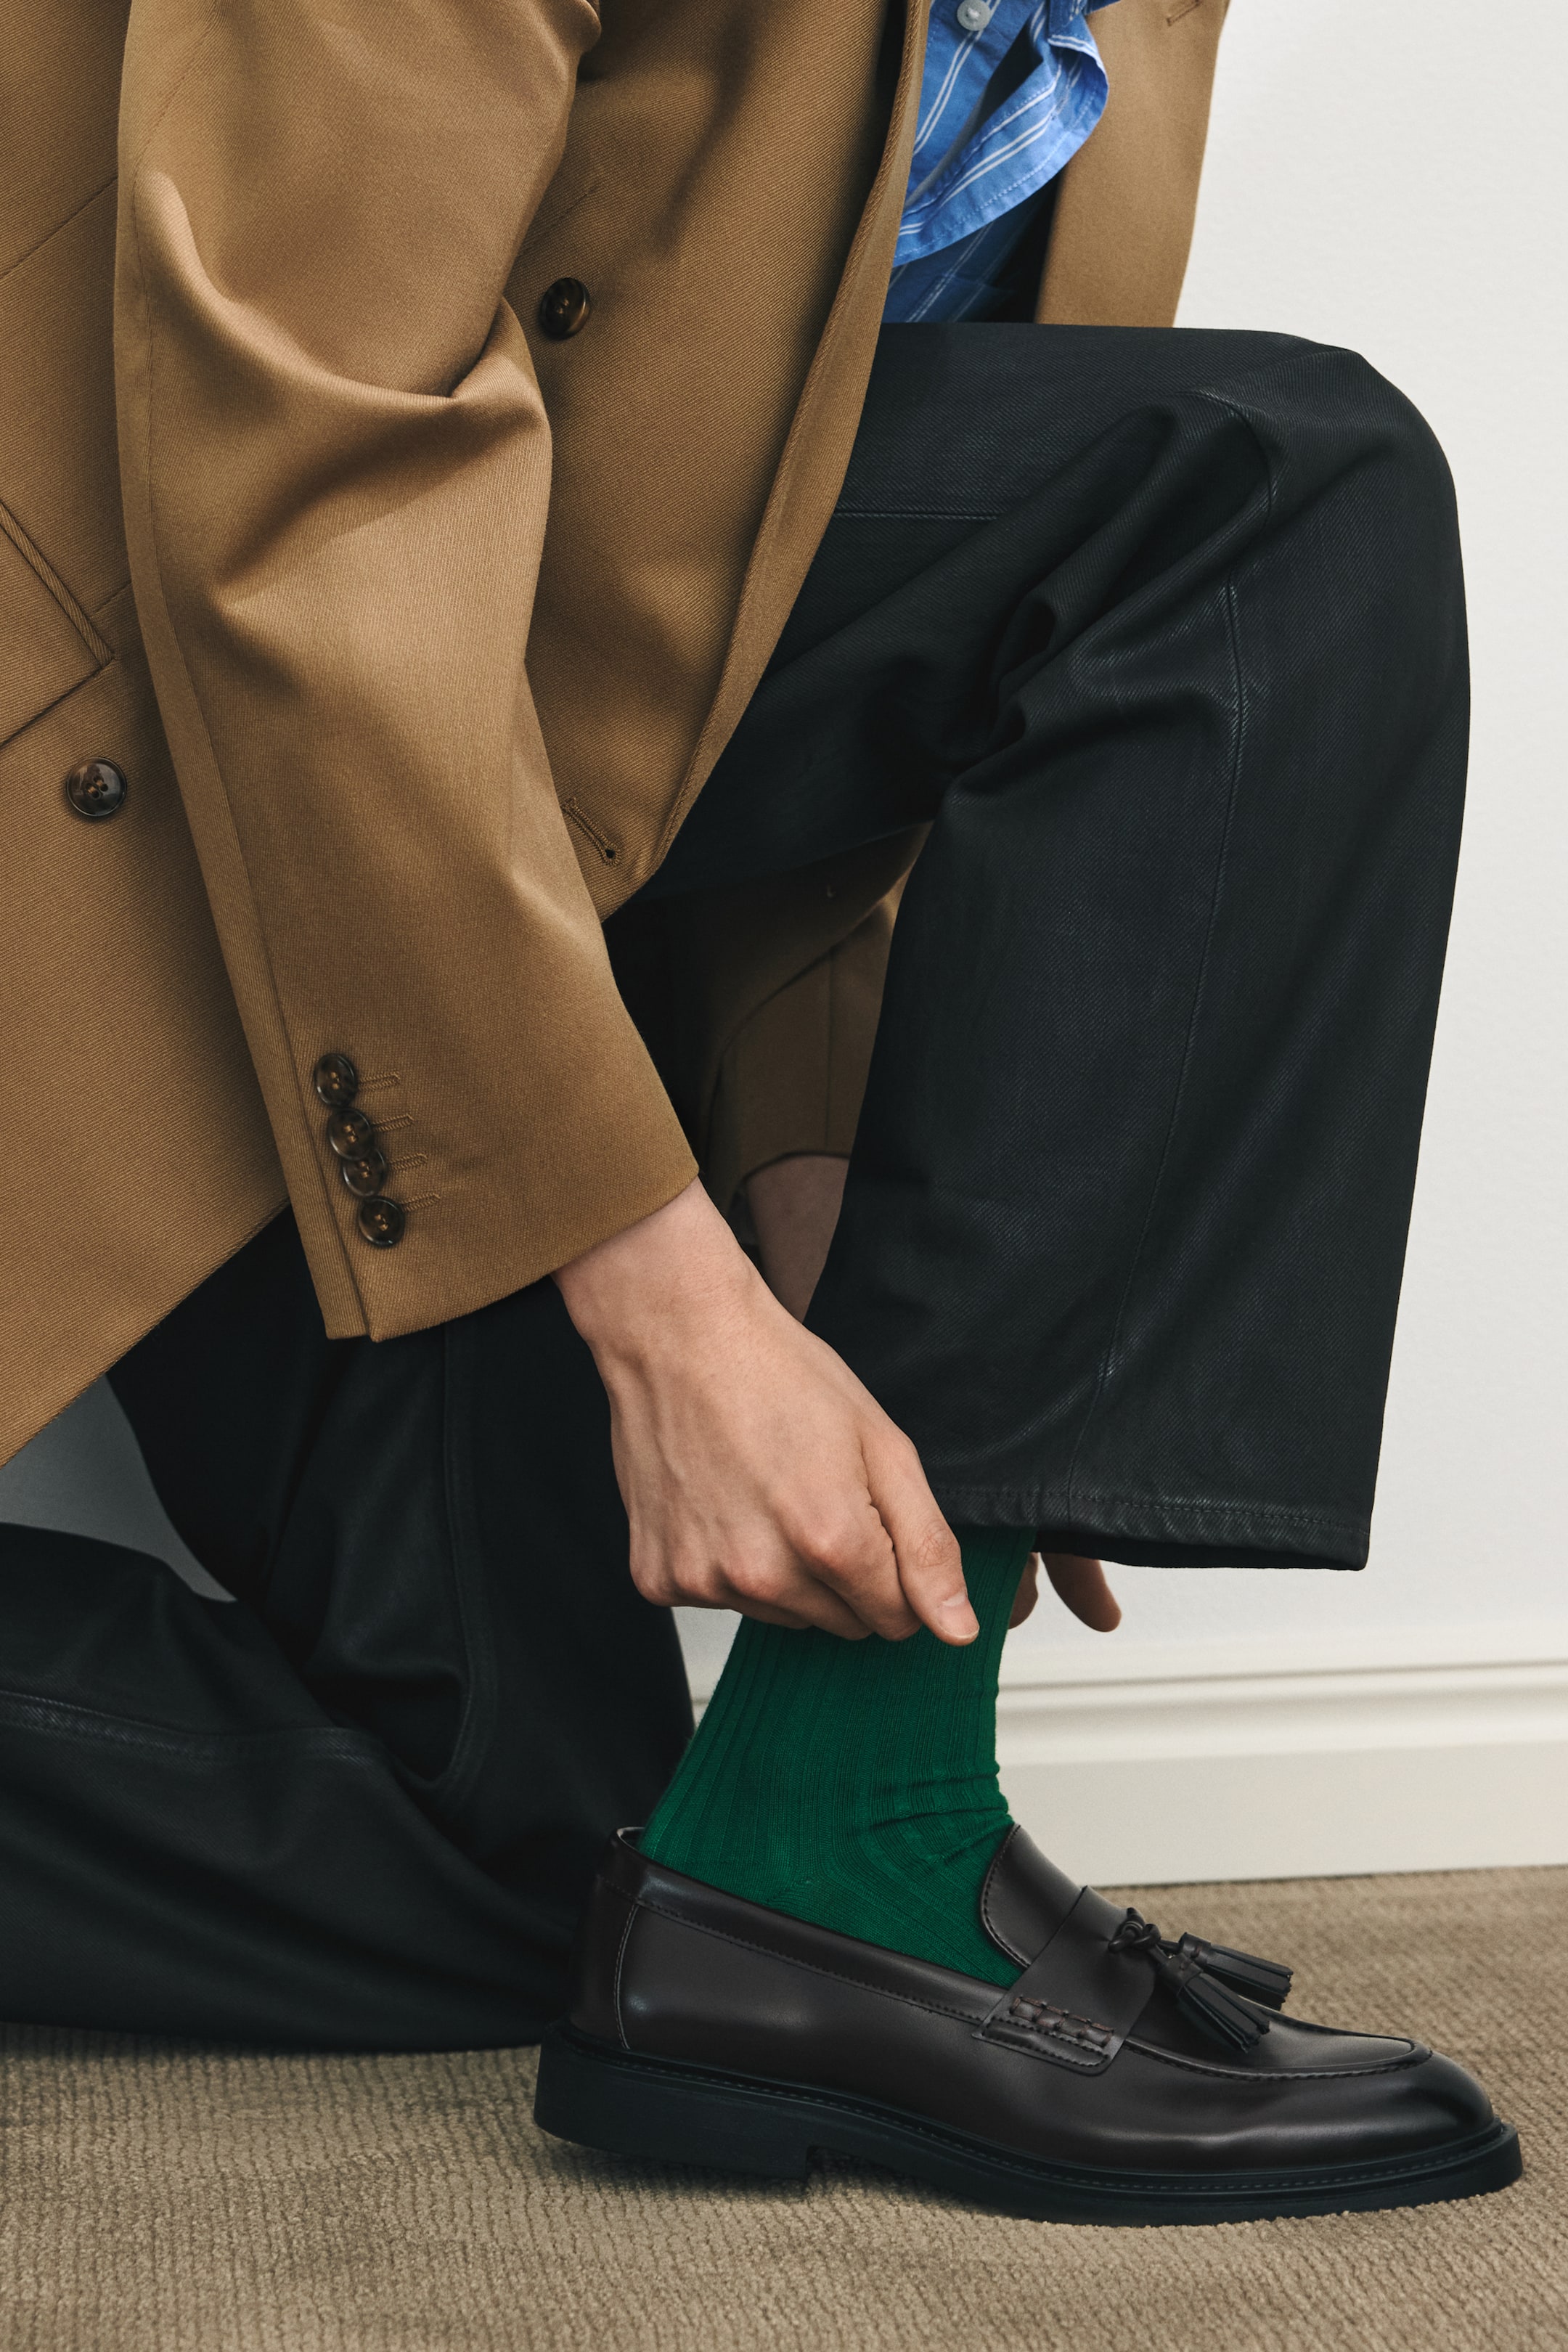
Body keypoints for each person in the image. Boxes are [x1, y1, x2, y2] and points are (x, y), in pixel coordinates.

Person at [0, 0, 1519, 2220]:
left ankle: (816, 1866)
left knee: (561, 1859)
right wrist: (663, 1300)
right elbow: (299, 482)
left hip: (455, 825)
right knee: (1271, 491)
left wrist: (841, 1198)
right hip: (141, 762)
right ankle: (862, 1873)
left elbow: (762, 588)